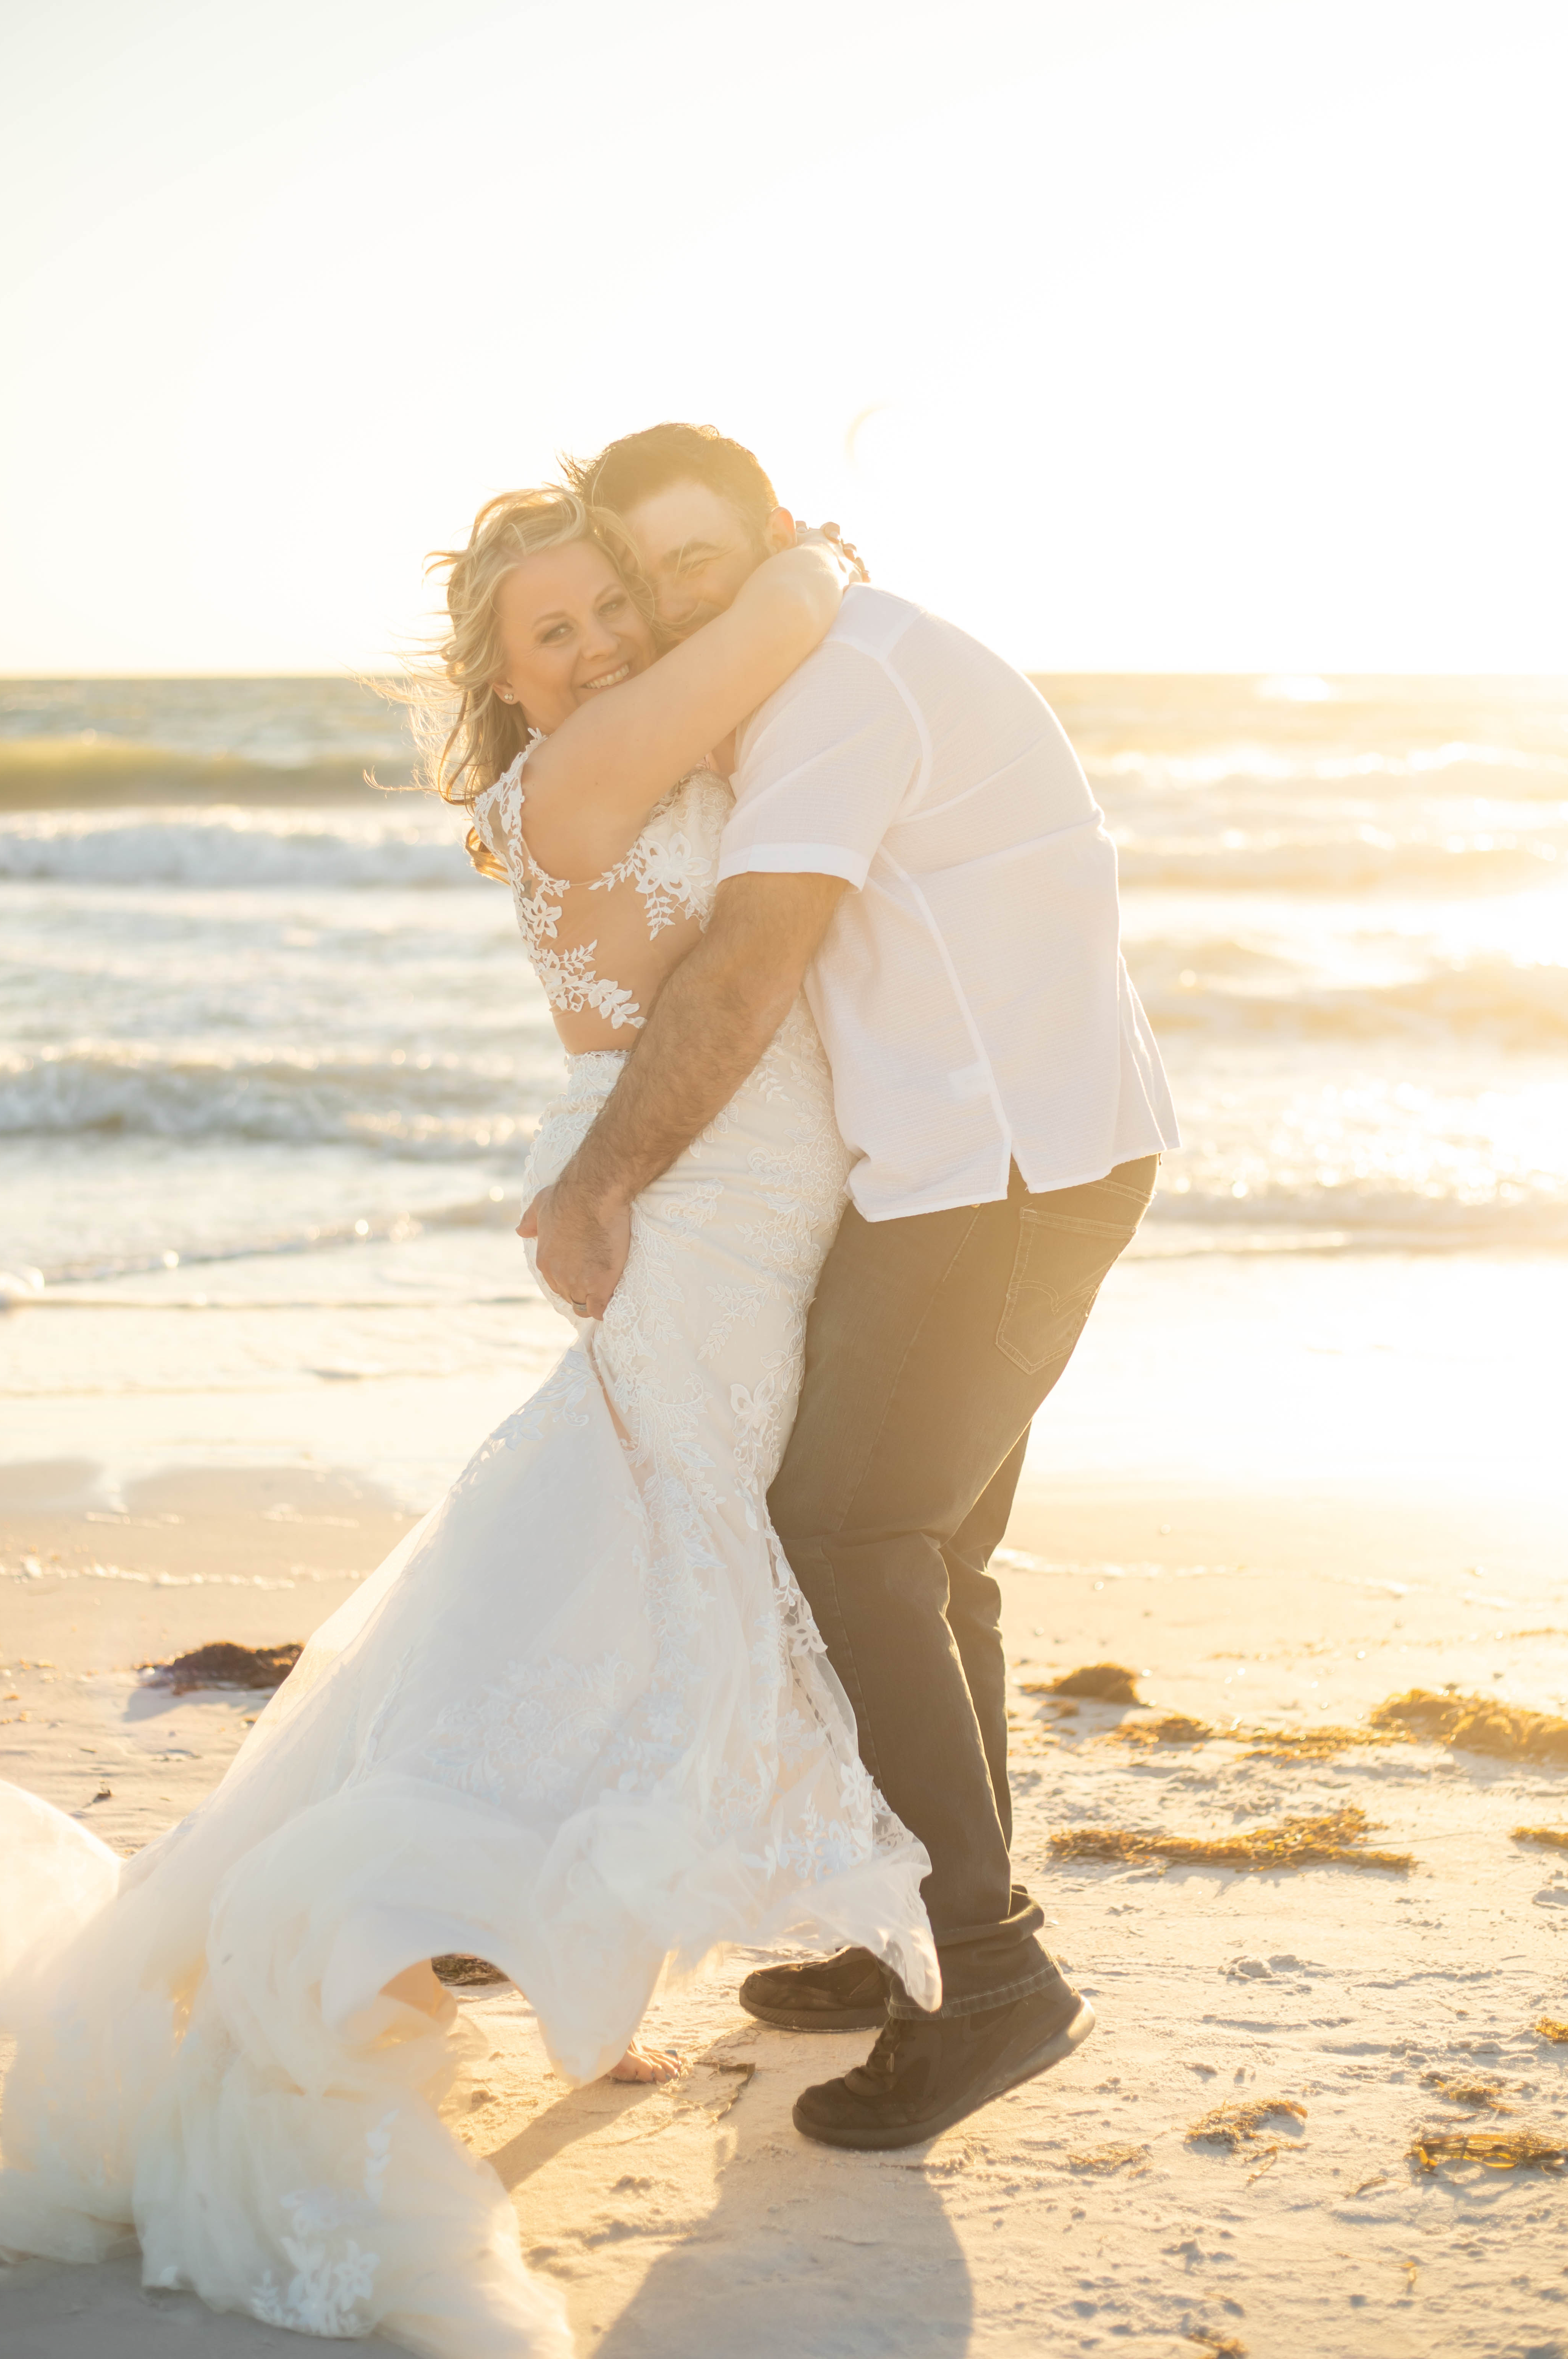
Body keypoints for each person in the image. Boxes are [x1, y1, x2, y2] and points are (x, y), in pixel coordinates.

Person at [0, 487, 938, 2359]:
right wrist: (812, 556)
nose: (595, 649)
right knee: (593, 1610)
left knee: (589, 1606)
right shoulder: (576, 783)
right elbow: (775, 626)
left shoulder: (640, 753)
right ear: (501, 692)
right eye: (551, 636)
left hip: (735, 1224)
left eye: (609, 611)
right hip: (687, 1232)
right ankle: (385, 1945)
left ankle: (533, 1953)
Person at [530, 422, 1180, 2152]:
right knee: (926, 1553)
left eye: (696, 562)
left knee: (850, 1533)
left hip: (1010, 1177)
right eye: (644, 570)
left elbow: (749, 966)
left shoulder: (838, 691)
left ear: (770, 540)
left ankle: (990, 1968)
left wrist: (599, 1177)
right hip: (985, 1162)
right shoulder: (828, 658)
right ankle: (919, 1931)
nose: (671, 600)